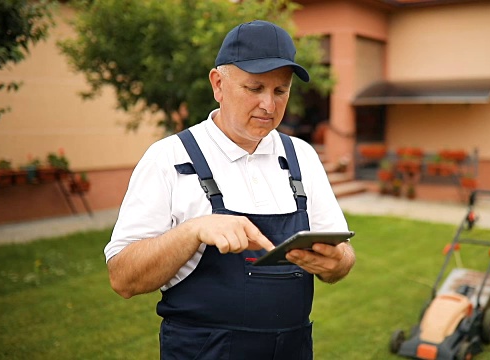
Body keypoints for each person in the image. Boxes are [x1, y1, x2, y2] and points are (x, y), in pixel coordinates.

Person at [103, 20, 355, 359]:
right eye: (255, 88)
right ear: (218, 84)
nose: (269, 105)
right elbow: (123, 278)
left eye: (280, 91)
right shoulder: (168, 157)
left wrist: (336, 262)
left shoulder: (302, 157)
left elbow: (343, 258)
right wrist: (194, 230)